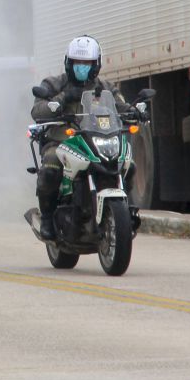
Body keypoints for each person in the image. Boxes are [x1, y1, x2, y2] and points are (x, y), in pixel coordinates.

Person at [30, 35, 131, 240]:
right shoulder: (53, 84)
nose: (81, 67)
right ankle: (48, 218)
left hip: (94, 140)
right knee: (51, 166)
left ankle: (126, 210)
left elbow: (121, 105)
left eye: (86, 63)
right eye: (77, 62)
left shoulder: (105, 87)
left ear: (96, 64)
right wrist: (63, 98)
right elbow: (38, 110)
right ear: (69, 63)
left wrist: (134, 111)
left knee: (130, 164)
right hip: (61, 141)